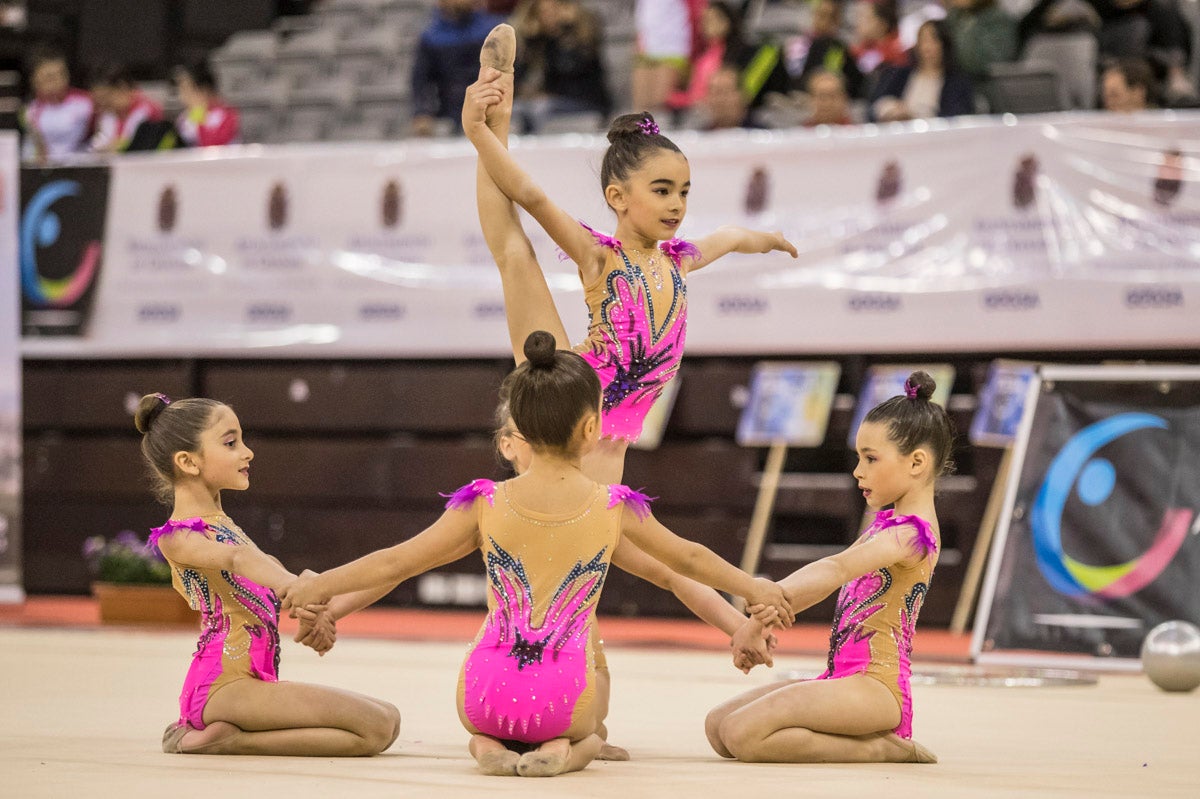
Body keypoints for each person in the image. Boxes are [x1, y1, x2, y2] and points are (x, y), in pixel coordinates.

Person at [281, 331, 793, 777]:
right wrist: (755, 592)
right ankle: (571, 751)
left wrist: (318, 588)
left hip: (480, 697)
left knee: (490, 716)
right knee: (588, 725)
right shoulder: (611, 509)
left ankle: (485, 745)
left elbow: (395, 562)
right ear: (593, 429)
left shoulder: (483, 504)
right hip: (564, 700)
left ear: (517, 433)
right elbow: (687, 563)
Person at [463, 24, 797, 484]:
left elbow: (733, 236)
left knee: (596, 541)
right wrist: (478, 132)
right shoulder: (602, 257)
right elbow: (530, 196)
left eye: (683, 192)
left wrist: (769, 237)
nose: (676, 204)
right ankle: (498, 109)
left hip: (604, 425)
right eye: (662, 191)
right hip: (567, 399)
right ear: (618, 197)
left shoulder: (678, 259)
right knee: (515, 253)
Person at [491, 394, 777, 760]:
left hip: (536, 667)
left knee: (577, 709)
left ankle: (542, 740)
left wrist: (738, 625)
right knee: (571, 720)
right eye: (534, 433)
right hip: (535, 664)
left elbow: (675, 572)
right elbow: (680, 568)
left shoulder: (579, 512)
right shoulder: (511, 508)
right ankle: (572, 740)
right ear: (509, 444)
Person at [704, 370, 953, 764]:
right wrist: (758, 622)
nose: (859, 471)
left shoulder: (911, 536)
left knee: (742, 733)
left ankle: (882, 748)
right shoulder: (886, 526)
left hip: (876, 688)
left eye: (871, 458)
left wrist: (760, 607)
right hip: (844, 680)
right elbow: (826, 578)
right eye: (859, 458)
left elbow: (835, 568)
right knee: (718, 727)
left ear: (917, 463)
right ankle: (873, 742)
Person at [135, 393, 401, 756]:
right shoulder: (179, 536)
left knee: (389, 718)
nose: (248, 452)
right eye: (231, 443)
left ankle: (227, 735)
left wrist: (395, 570)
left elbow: (314, 596)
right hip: (220, 686)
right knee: (374, 728)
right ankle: (229, 740)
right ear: (188, 461)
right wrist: (296, 585)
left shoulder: (232, 532)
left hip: (253, 684)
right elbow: (241, 560)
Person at [511, 0, 611, 133]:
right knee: (517, 109)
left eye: (553, 11)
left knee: (541, 109)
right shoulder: (541, 40)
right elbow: (519, 76)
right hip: (554, 101)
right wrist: (530, 39)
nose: (548, 17)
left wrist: (566, 28)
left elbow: (570, 67)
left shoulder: (583, 34)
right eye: (543, 13)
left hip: (587, 101)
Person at [410, 0, 507, 136]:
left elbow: (509, 72)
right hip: (450, 111)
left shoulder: (493, 30)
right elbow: (421, 81)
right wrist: (422, 112)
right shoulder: (432, 37)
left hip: (491, 106)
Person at [869, 20, 974, 122]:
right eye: (923, 40)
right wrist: (891, 109)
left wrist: (914, 115)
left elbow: (957, 116)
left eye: (934, 40)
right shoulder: (900, 74)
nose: (928, 48)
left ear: (944, 44)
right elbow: (875, 105)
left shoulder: (956, 82)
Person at [20, 48, 93, 163]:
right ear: (34, 81)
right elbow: (31, 149)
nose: (55, 81)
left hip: (83, 165)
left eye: (60, 75)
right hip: (49, 169)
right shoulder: (31, 110)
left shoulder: (86, 103)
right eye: (49, 77)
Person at [89, 64, 164, 153]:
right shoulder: (107, 115)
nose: (102, 105)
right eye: (98, 100)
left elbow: (141, 146)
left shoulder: (147, 111)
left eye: (105, 98)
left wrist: (115, 146)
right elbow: (98, 144)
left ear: (122, 88)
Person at [944, 0, 1019, 82]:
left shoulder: (998, 20)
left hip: (987, 86)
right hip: (956, 85)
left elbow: (992, 63)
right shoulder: (956, 17)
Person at [173, 61, 241, 147]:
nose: (183, 97)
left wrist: (199, 112)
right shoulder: (184, 118)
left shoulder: (226, 114)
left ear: (204, 90)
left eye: (187, 90)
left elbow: (213, 145)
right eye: (181, 91)